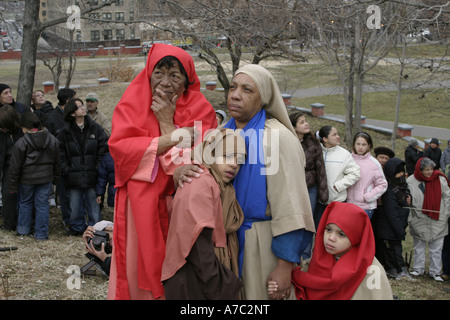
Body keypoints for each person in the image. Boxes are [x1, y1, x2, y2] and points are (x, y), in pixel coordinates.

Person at [176, 64, 315, 300]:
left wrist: (284, 266)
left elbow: (291, 206)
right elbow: (195, 172)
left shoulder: (277, 138)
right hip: (222, 244)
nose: (236, 95)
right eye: (233, 87)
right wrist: (179, 172)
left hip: (262, 243)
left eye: (247, 90)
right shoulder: (218, 134)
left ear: (263, 99)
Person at [107, 43, 217, 300]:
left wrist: (167, 122)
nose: (165, 82)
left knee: (181, 274)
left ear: (187, 80)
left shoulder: (201, 109)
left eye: (175, 75)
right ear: (149, 73)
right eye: (159, 73)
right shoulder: (132, 102)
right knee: (140, 269)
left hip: (183, 205)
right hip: (140, 205)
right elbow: (121, 149)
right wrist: (173, 138)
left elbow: (201, 159)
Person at [161, 128, 246, 299]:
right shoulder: (201, 182)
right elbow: (198, 245)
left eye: (239, 160)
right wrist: (223, 285)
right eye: (227, 156)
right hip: (197, 280)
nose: (234, 164)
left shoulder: (221, 186)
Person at [286, 201, 393, 300]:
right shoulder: (319, 260)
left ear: (356, 237)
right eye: (328, 229)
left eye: (341, 234)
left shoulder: (371, 270)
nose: (331, 238)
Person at [58, 98, 108, 236]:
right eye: (79, 107)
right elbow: (60, 153)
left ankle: (96, 229)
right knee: (74, 204)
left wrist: (98, 166)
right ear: (72, 113)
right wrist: (67, 169)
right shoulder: (65, 132)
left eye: (82, 106)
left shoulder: (95, 128)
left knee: (93, 203)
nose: (83, 108)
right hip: (73, 175)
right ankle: (77, 227)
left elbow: (103, 147)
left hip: (92, 174)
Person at [8, 112, 61, 240]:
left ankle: (23, 230)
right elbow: (57, 162)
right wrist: (56, 178)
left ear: (24, 127)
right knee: (42, 205)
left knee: (25, 203)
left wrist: (12, 185)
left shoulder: (21, 143)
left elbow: (15, 167)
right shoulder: (52, 139)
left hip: (27, 179)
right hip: (46, 178)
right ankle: (42, 234)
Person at [289, 112, 328, 260]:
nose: (306, 124)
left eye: (306, 121)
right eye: (301, 122)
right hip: (291, 188)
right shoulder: (287, 141)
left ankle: (305, 256)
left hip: (309, 188)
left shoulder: (313, 142)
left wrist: (323, 192)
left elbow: (321, 168)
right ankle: (290, 253)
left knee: (308, 222)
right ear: (293, 126)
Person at [407, 157, 450, 281]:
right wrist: (411, 217)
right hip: (419, 218)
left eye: (431, 169)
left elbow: (447, 197)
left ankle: (435, 272)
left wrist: (446, 213)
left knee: (436, 247)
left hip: (438, 218)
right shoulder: (411, 180)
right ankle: (418, 269)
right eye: (427, 170)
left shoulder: (440, 179)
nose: (430, 172)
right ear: (420, 170)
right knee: (418, 246)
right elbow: (408, 198)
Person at [375, 158, 412, 280]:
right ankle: (395, 270)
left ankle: (400, 269)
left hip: (398, 226)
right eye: (399, 173)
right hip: (391, 228)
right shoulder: (389, 190)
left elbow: (405, 201)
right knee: (392, 250)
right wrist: (400, 230)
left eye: (403, 172)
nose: (401, 175)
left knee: (396, 249)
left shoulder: (402, 186)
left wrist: (408, 196)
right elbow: (392, 213)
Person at [316, 125, 360, 227]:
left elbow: (355, 173)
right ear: (325, 139)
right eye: (334, 134)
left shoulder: (344, 154)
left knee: (334, 231)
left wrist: (338, 186)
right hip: (318, 202)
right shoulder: (317, 152)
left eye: (337, 134)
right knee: (319, 231)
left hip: (337, 201)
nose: (338, 137)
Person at [47, 88, 76, 227]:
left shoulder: (71, 115)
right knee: (64, 192)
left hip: (74, 160)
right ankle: (68, 219)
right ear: (67, 100)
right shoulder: (54, 118)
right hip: (61, 161)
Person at [347, 132, 387, 219]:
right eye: (358, 144)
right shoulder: (348, 158)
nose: (360, 147)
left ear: (369, 146)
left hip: (365, 207)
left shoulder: (374, 163)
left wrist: (368, 197)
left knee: (359, 232)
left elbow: (382, 184)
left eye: (364, 144)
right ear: (354, 144)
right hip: (347, 204)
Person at [0, 105, 23, 231]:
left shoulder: (20, 130)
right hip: (8, 166)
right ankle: (9, 223)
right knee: (8, 195)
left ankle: (23, 222)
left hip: (22, 165)